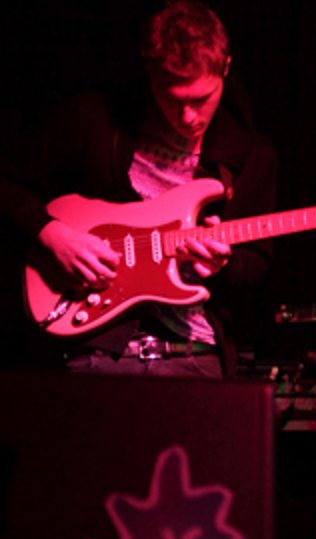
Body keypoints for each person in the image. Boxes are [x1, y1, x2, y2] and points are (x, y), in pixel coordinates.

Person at [0, 1, 277, 379]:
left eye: (201, 99)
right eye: (173, 99)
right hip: (95, 349)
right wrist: (53, 236)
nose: (188, 117)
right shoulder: (95, 121)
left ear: (225, 68)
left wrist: (222, 265)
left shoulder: (252, 153)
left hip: (194, 352)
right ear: (149, 73)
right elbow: (8, 182)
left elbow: (257, 264)